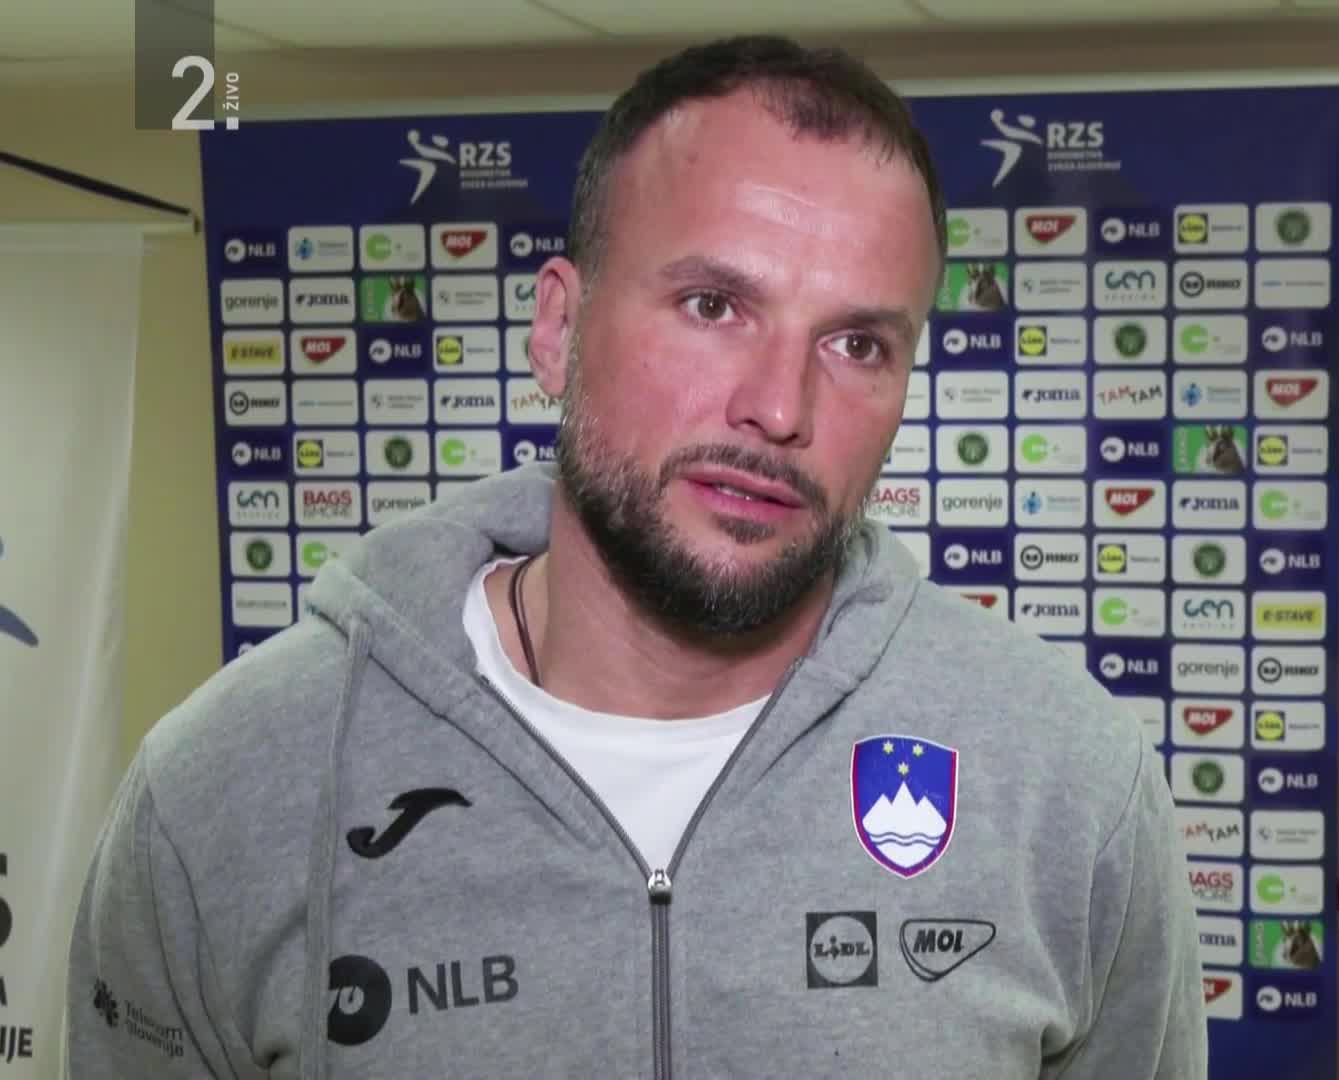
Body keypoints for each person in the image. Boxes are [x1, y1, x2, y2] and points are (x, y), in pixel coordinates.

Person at [67, 35, 1204, 1078]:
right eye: (713, 305)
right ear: (558, 329)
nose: (780, 408)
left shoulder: (1069, 782)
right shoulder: (223, 790)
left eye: (858, 343)